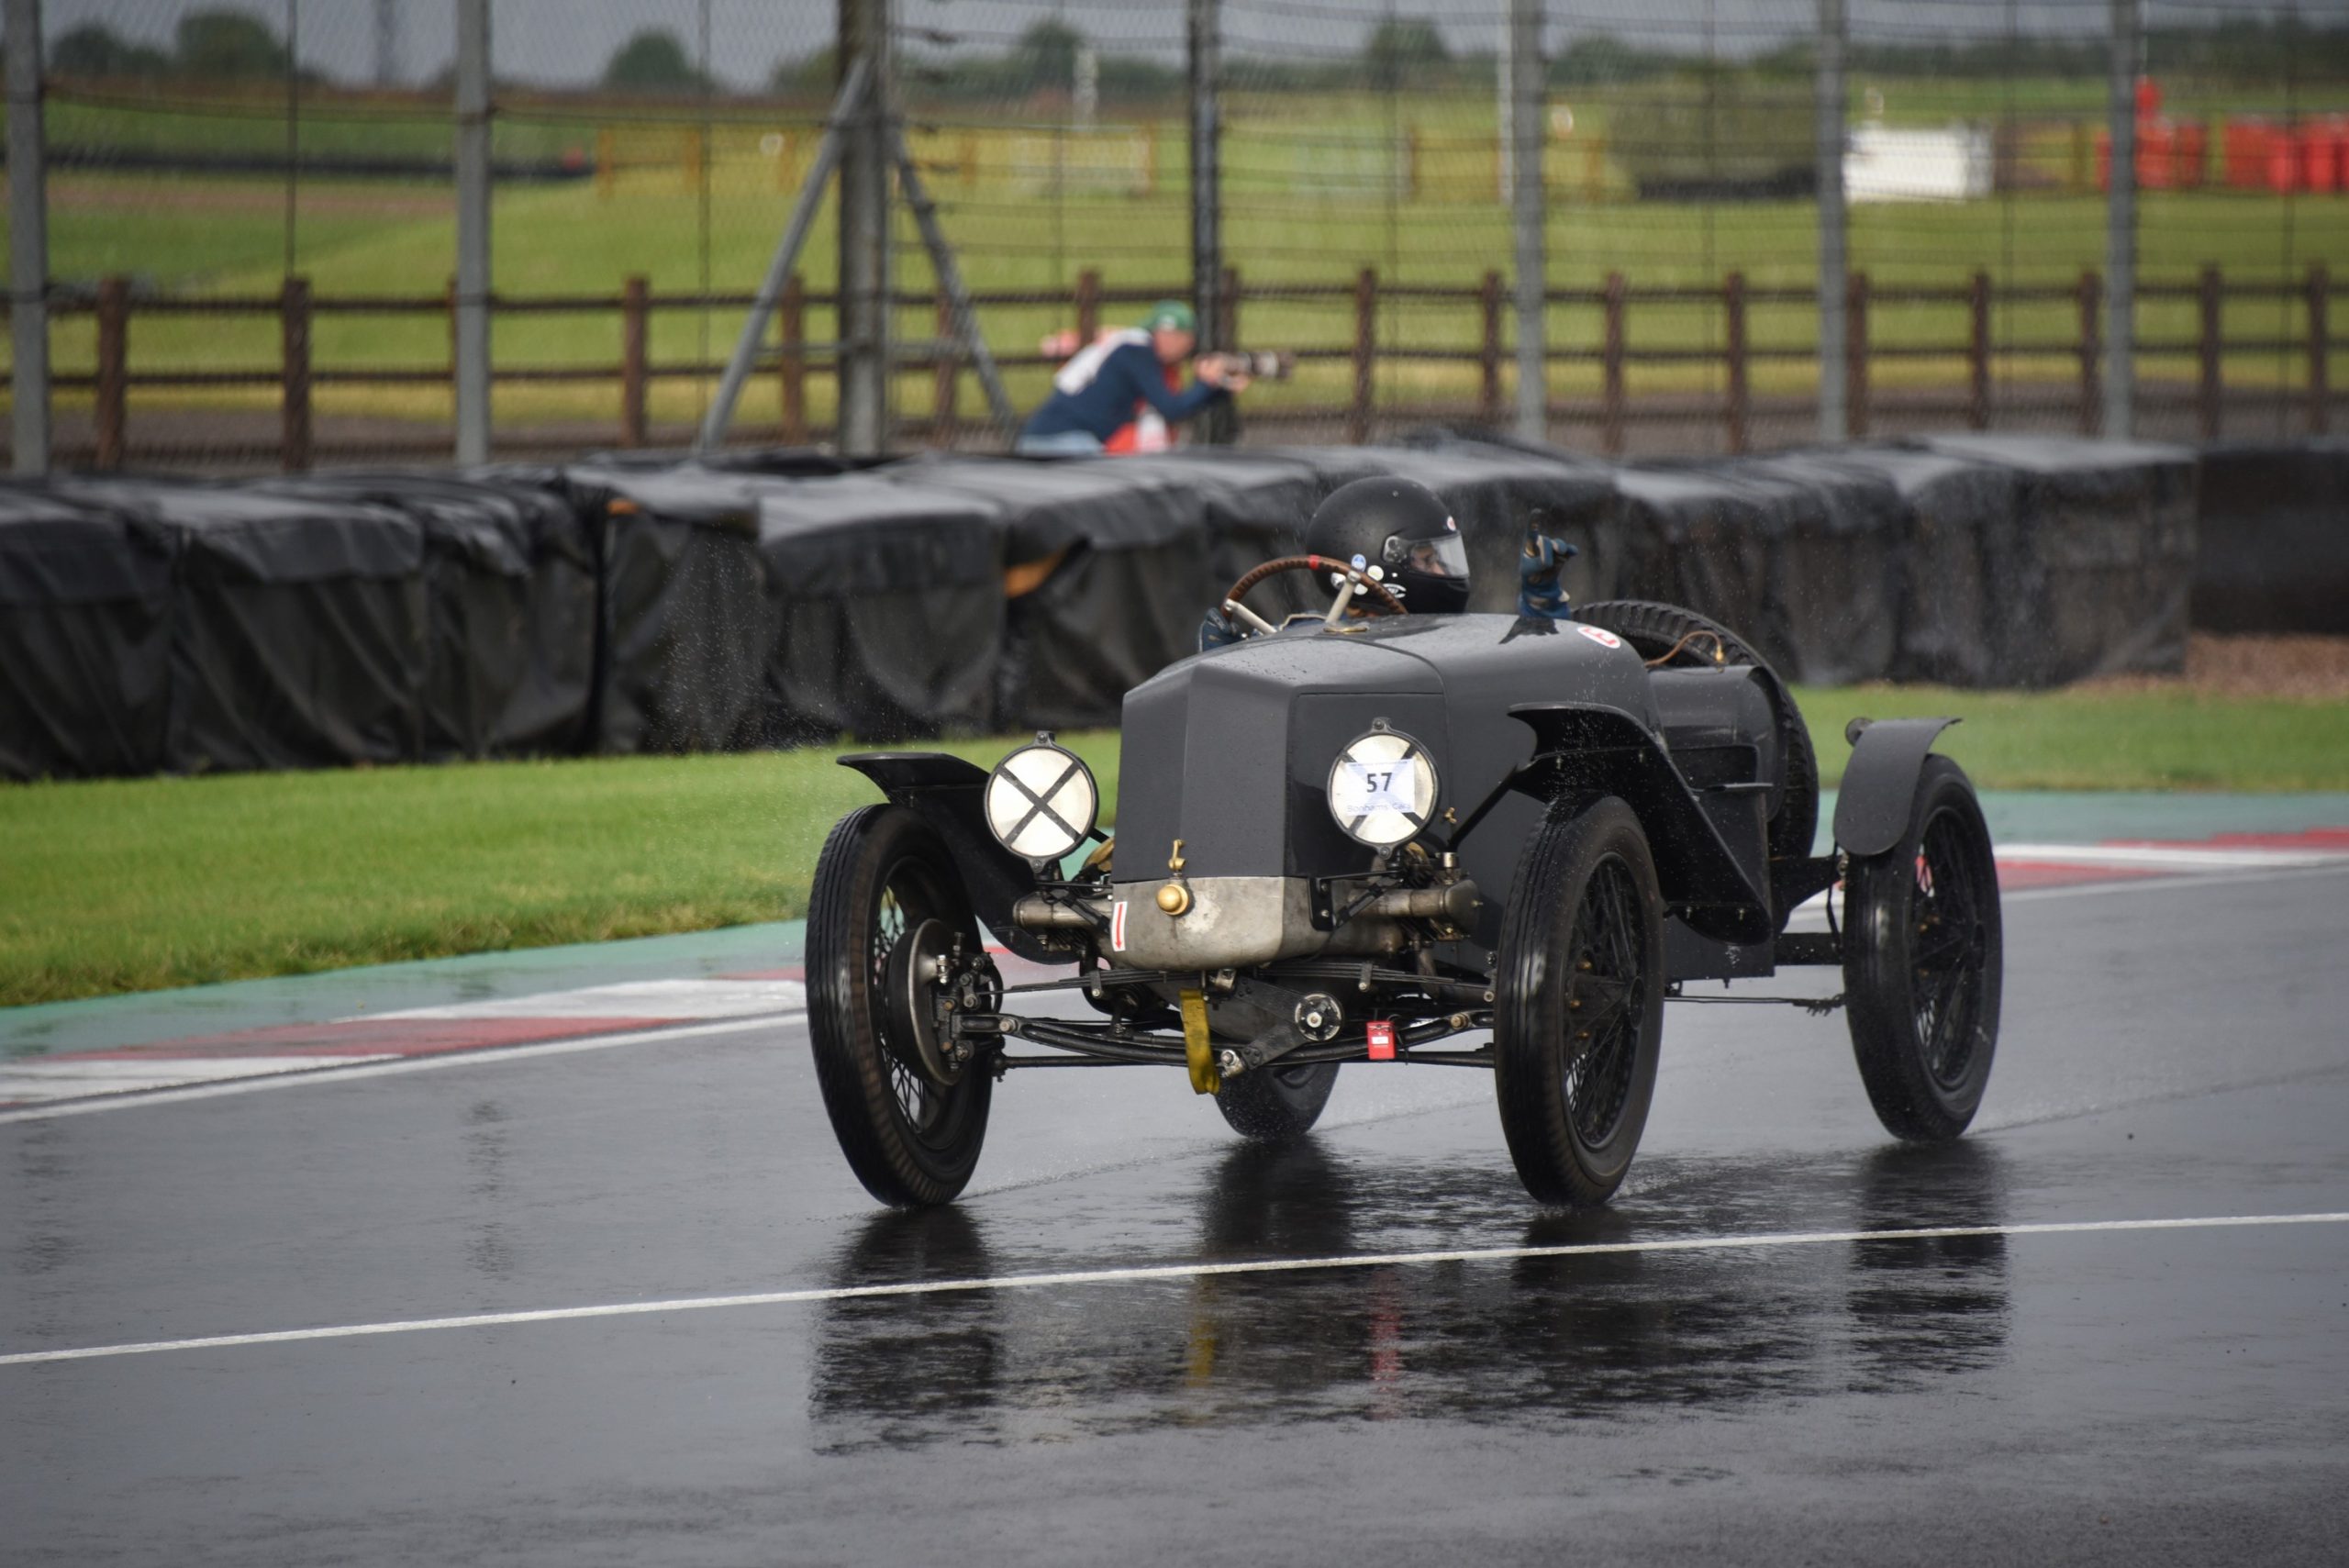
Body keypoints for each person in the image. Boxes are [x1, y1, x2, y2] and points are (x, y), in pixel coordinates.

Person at [1198, 475, 1470, 651]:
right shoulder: (1299, 641)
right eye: (1427, 560)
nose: (1442, 572)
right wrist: (1225, 658)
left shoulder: (1461, 640)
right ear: (1375, 565)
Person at [1015, 302, 1250, 457]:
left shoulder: (1130, 348)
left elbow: (1172, 407)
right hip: (1062, 440)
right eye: (1183, 340)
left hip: (1059, 439)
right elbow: (1171, 409)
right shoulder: (1136, 350)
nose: (1185, 349)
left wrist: (1219, 388)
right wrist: (1206, 383)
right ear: (1165, 334)